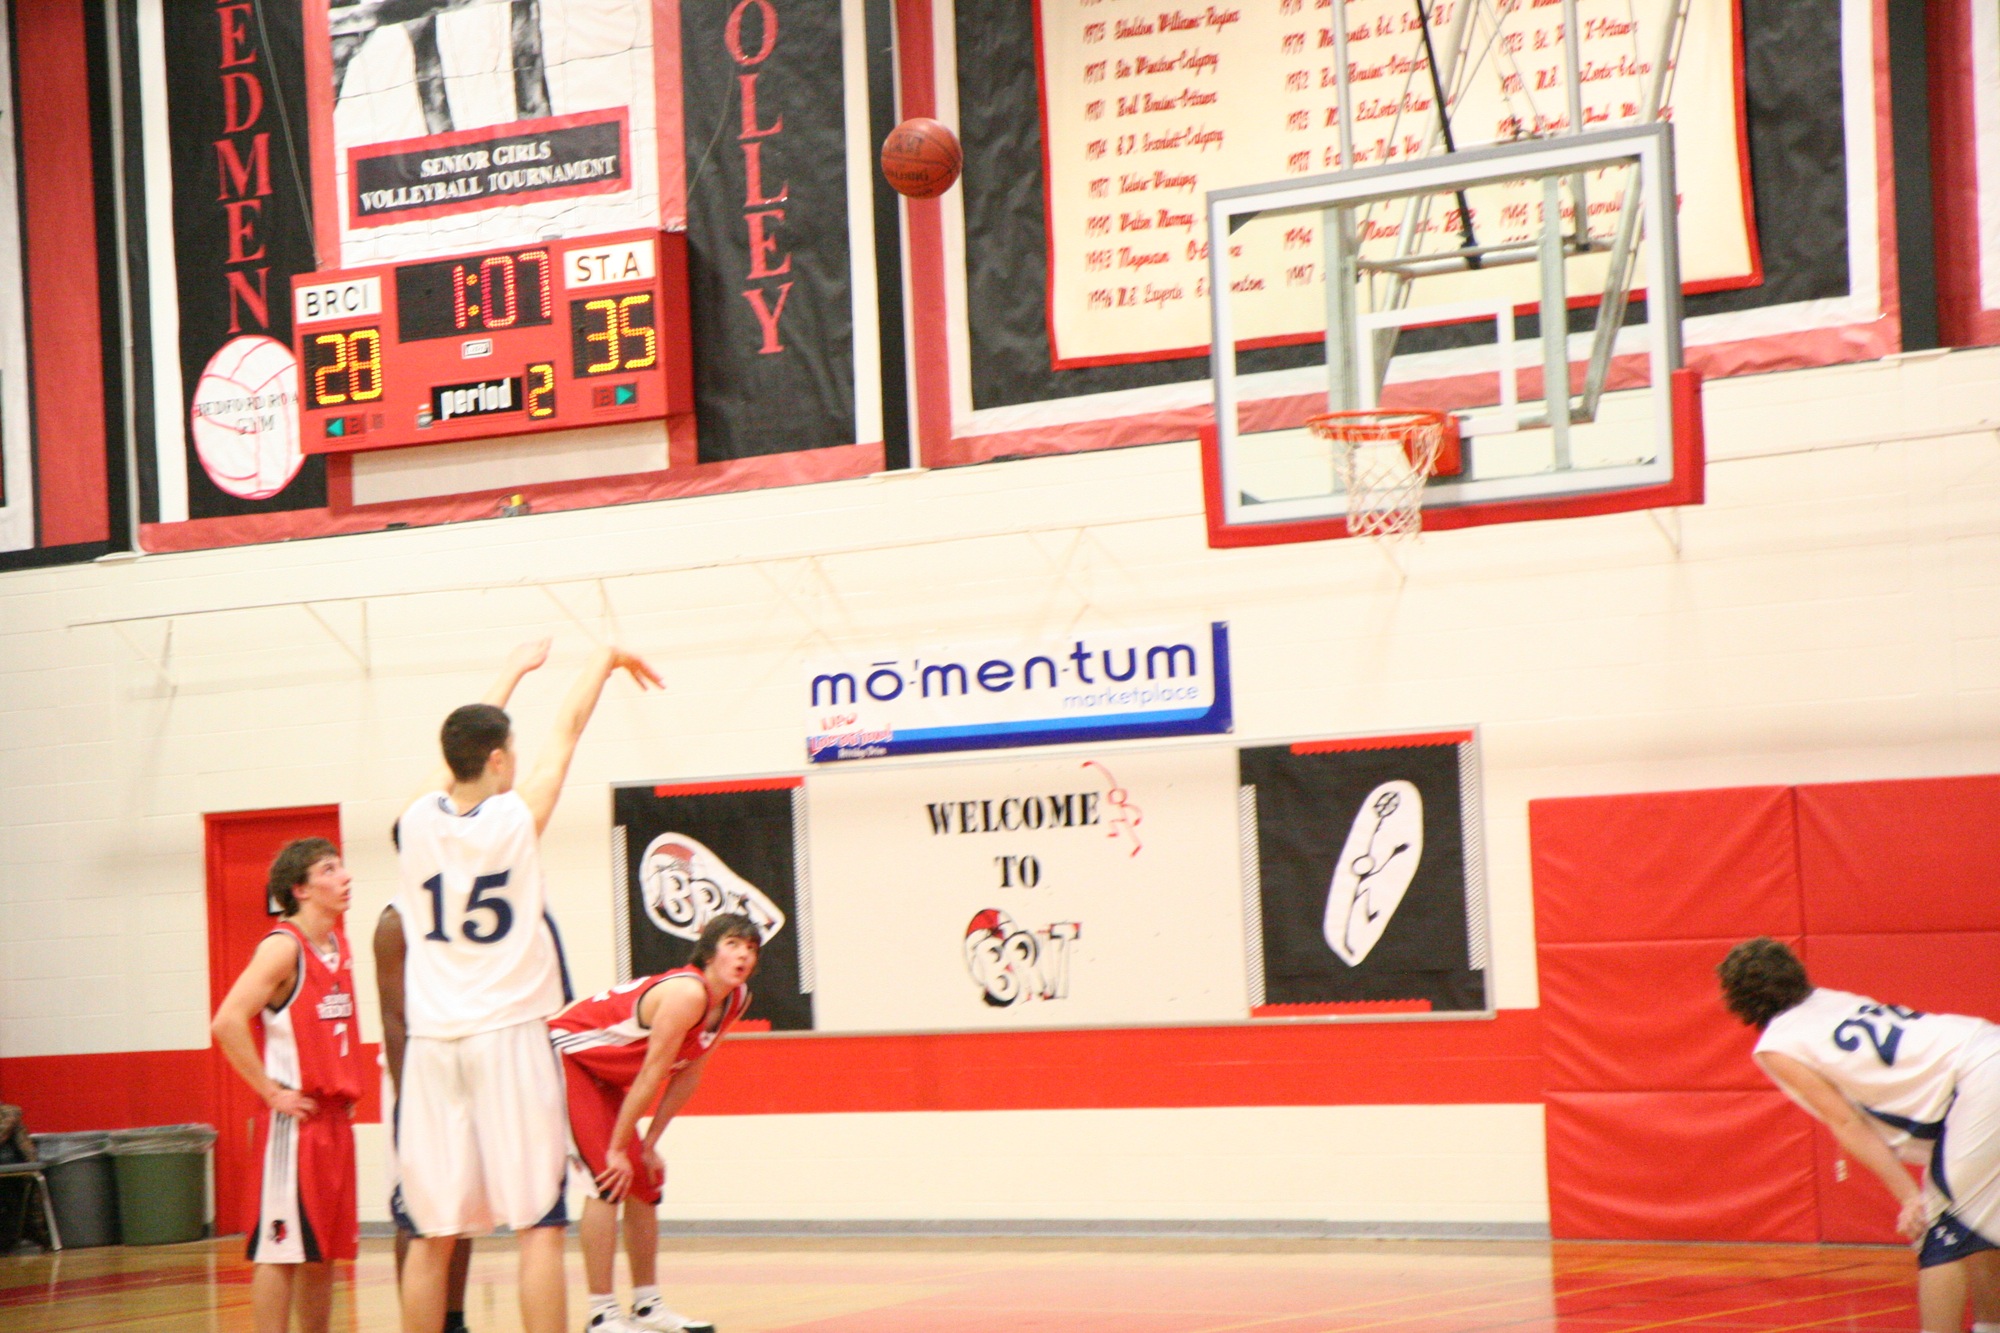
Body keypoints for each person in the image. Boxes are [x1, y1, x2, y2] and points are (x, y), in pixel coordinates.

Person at [394, 640, 662, 1333]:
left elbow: (455, 753)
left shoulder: (413, 821)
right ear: (497, 759)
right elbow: (566, 732)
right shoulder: (517, 817)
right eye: (507, 749)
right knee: (538, 1227)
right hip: (508, 1035)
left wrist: (509, 673)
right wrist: (602, 661)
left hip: (433, 1043)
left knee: (430, 1235)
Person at [1718, 938, 2000, 1333]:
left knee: (1939, 1232)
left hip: (1978, 1078)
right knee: (1976, 1221)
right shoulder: (1829, 1000)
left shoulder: (1778, 1044)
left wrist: (1909, 1197)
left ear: (1737, 998)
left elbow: (1846, 1122)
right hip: (1984, 1045)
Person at [549, 914, 762, 1333]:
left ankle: (648, 1305)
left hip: (604, 1073)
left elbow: (690, 1072)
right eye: (733, 944)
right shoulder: (686, 993)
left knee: (645, 1180)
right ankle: (601, 1314)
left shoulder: (736, 999)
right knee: (609, 1178)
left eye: (751, 948)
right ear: (709, 951)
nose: (743, 955)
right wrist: (617, 1149)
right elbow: (651, 1074)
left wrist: (649, 1144)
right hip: (566, 1056)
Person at [211, 839, 370, 1333]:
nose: (345, 876)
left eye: (342, 866)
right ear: (300, 889)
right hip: (295, 1126)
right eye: (329, 869)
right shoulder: (283, 947)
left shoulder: (339, 944)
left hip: (334, 1122)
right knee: (279, 1251)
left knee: (322, 1253)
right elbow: (227, 1021)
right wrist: (270, 1091)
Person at [375, 901, 474, 1333]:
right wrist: (406, 1100)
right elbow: (392, 1018)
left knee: (463, 1206)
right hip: (414, 1074)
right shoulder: (396, 919)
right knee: (416, 1210)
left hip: (464, 1068)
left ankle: (454, 1320)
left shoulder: (464, 905)